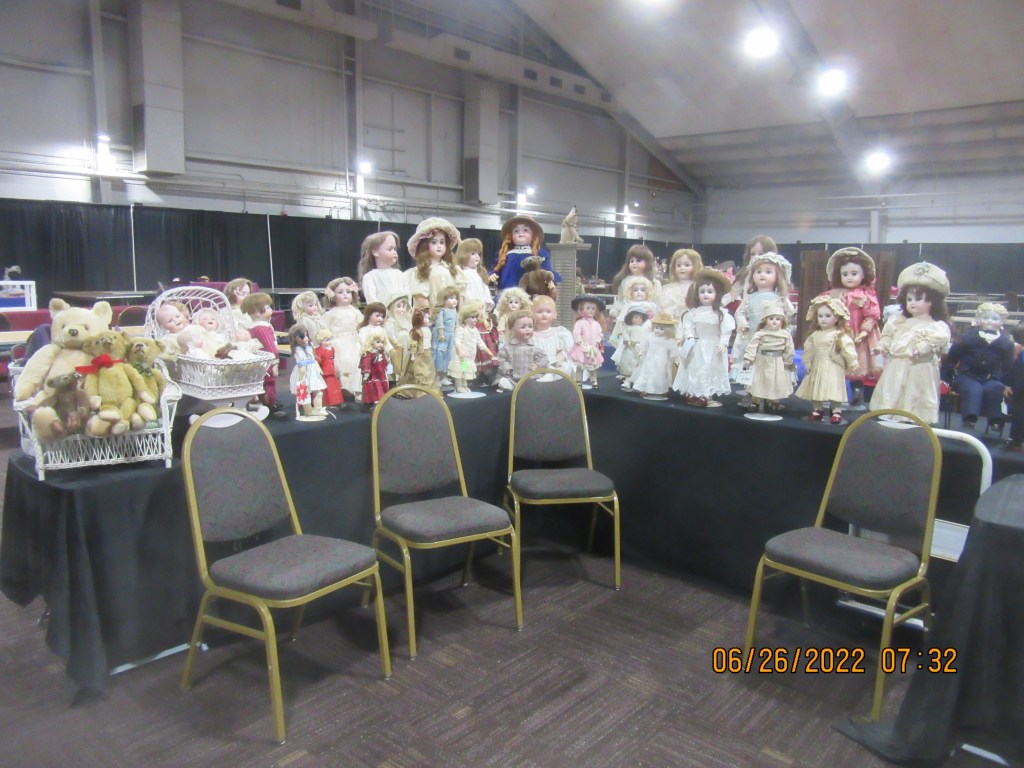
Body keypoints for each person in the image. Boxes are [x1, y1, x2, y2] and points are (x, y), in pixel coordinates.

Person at [869, 262, 952, 424]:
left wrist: (921, 348)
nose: (912, 303)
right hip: (896, 366)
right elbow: (888, 337)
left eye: (918, 299)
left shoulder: (936, 326)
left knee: (913, 394)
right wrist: (880, 347)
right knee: (894, 392)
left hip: (920, 368)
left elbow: (936, 341)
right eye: (909, 299)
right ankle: (890, 416)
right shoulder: (898, 322)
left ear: (932, 301)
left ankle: (912, 420)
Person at [821, 247, 883, 403]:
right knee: (836, 363)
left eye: (854, 274)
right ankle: (835, 396)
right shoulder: (833, 294)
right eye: (845, 274)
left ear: (863, 275)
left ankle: (857, 393)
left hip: (857, 334)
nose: (849, 277)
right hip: (837, 332)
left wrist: (864, 331)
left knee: (857, 364)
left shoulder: (866, 294)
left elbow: (872, 315)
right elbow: (823, 310)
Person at [941, 302, 1014, 432]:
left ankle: (995, 420)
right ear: (979, 319)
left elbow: (1009, 365)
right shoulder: (967, 337)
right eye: (986, 318)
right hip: (967, 375)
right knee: (973, 389)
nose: (989, 321)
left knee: (994, 388)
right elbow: (952, 357)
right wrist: (945, 377)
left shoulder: (1006, 342)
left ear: (1002, 321)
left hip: (992, 377)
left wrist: (1008, 383)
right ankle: (969, 419)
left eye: (994, 318)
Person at [672, 268, 735, 407]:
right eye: (702, 292)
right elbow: (688, 326)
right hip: (697, 345)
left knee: (710, 368)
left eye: (710, 291)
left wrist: (723, 343)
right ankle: (694, 393)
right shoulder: (693, 313)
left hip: (713, 346)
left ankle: (706, 394)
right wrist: (689, 338)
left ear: (717, 294)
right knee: (696, 368)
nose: (705, 294)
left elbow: (725, 331)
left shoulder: (721, 314)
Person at [732, 251, 794, 390]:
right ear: (752, 275)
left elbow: (789, 312)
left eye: (768, 271)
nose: (762, 275)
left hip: (773, 337)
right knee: (752, 362)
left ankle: (771, 391)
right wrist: (743, 323)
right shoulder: (750, 297)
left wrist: (782, 323)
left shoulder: (779, 297)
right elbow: (740, 312)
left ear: (777, 276)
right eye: (758, 272)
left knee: (771, 365)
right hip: (753, 335)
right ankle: (752, 391)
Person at [794, 295, 860, 424]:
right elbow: (808, 350)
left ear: (836, 318)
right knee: (816, 387)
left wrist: (852, 362)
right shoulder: (815, 335)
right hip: (818, 365)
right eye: (820, 316)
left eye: (828, 316)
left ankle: (836, 411)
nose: (823, 319)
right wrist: (807, 363)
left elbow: (847, 349)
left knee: (834, 388)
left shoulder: (839, 335)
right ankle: (817, 409)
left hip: (833, 366)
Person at [742, 302, 795, 414]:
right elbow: (752, 346)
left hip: (777, 361)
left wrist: (788, 360)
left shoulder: (785, 334)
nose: (774, 321)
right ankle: (756, 401)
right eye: (771, 319)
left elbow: (789, 348)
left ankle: (774, 402)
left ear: (782, 321)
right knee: (759, 381)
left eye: (778, 319)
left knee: (776, 382)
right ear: (765, 320)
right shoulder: (760, 334)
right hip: (762, 361)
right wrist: (748, 358)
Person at [240, 291, 286, 418]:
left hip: (261, 361)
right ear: (256, 312)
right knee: (268, 383)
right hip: (267, 362)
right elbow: (270, 347)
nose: (271, 310)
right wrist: (275, 363)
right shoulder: (262, 328)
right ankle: (270, 406)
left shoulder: (254, 327)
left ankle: (262, 405)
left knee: (261, 385)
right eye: (268, 308)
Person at [490, 214, 559, 293]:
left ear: (533, 234)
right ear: (511, 236)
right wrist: (492, 275)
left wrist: (550, 281)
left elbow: (546, 270)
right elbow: (495, 269)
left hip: (532, 293)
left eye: (525, 230)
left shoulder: (540, 254)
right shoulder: (505, 254)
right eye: (516, 231)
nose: (520, 234)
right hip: (508, 292)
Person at [405, 217, 460, 310]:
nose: (439, 246)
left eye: (442, 242)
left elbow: (459, 293)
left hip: (451, 314)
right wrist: (430, 314)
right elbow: (421, 300)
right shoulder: (421, 271)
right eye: (434, 242)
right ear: (425, 245)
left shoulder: (451, 269)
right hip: (431, 314)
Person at [323, 276, 363, 397]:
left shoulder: (355, 311)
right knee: (342, 364)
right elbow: (325, 329)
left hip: (354, 341)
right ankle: (344, 386)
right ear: (333, 296)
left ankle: (356, 388)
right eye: (340, 292)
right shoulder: (331, 313)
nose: (345, 294)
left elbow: (362, 324)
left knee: (356, 362)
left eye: (348, 292)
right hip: (338, 342)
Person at [628, 312, 679, 399]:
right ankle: (645, 388)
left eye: (662, 329)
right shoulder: (650, 336)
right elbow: (644, 345)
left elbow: (673, 352)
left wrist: (672, 361)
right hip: (649, 358)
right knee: (647, 372)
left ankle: (660, 390)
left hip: (662, 360)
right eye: (656, 327)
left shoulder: (669, 340)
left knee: (660, 374)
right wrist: (641, 352)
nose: (658, 330)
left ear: (668, 330)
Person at [496, 309, 549, 391]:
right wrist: (507, 369)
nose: (528, 329)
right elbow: (501, 359)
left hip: (531, 378)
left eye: (530, 326)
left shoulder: (534, 347)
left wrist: (537, 366)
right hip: (513, 377)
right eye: (523, 327)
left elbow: (543, 359)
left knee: (546, 377)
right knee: (504, 381)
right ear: (512, 328)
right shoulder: (507, 347)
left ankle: (534, 385)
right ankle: (511, 385)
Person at [448, 301, 493, 393]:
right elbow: (457, 341)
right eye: (472, 317)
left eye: (476, 317)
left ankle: (464, 384)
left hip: (469, 356)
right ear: (465, 319)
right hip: (461, 357)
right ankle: (458, 385)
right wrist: (460, 351)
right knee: (460, 371)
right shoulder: (462, 329)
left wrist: (487, 350)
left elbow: (480, 341)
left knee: (465, 370)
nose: (475, 320)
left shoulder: (475, 330)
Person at [609, 244, 661, 320]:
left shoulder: (654, 282)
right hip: (627, 315)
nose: (634, 263)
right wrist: (617, 311)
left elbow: (657, 301)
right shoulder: (625, 281)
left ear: (648, 262)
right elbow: (621, 299)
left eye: (638, 260)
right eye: (631, 261)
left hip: (646, 317)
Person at [530, 295, 574, 379]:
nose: (544, 314)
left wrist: (559, 360)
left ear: (555, 314)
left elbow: (568, 349)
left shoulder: (560, 333)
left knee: (561, 372)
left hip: (556, 367)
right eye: (539, 312)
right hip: (537, 368)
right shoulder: (530, 336)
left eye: (548, 311)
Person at [288, 324, 327, 419]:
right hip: (303, 372)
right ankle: (308, 411)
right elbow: (302, 364)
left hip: (313, 370)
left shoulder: (308, 347)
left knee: (318, 391)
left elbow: (313, 359)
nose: (306, 338)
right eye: (302, 336)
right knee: (305, 392)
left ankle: (317, 409)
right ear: (295, 338)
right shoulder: (297, 350)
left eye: (306, 335)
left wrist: (318, 368)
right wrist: (301, 378)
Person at [358, 230, 405, 305]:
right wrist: (381, 311)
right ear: (375, 252)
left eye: (395, 249)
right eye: (390, 249)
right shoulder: (370, 277)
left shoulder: (400, 274)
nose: (394, 252)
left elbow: (407, 294)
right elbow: (371, 299)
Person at [568, 295, 606, 388]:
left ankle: (594, 381)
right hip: (582, 347)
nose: (591, 311)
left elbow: (599, 334)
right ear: (581, 310)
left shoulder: (596, 324)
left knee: (592, 367)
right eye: (588, 308)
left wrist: (597, 342)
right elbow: (576, 333)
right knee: (580, 366)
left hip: (592, 348)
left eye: (593, 308)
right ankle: (578, 381)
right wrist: (579, 341)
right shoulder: (580, 323)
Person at [659, 248, 703, 322]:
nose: (682, 268)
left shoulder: (698, 288)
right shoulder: (667, 289)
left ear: (695, 266)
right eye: (678, 265)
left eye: (687, 265)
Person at [454, 237, 494, 312]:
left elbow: (485, 291)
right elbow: (463, 294)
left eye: (478, 254)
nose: (477, 257)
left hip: (482, 309)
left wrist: (486, 303)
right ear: (464, 255)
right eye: (473, 253)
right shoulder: (461, 274)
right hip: (469, 309)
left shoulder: (480, 273)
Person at [431, 286, 460, 386]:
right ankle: (437, 378)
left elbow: (456, 323)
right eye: (451, 298)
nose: (454, 300)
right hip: (442, 336)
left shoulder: (454, 311)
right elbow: (440, 323)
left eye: (456, 298)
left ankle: (444, 377)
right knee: (439, 356)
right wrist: (441, 334)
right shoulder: (443, 311)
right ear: (443, 300)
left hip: (450, 336)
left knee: (447, 357)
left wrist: (456, 331)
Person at [1004, 325, 1024, 452]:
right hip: (1019, 392)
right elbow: (1011, 372)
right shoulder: (1020, 354)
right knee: (1019, 414)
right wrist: (1007, 385)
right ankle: (1016, 442)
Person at [313, 328, 345, 409]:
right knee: (327, 387)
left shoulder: (332, 349)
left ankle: (336, 401)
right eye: (326, 340)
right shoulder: (319, 350)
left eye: (329, 339)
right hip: (324, 371)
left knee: (334, 386)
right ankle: (327, 403)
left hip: (331, 369)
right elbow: (318, 361)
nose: (329, 342)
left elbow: (333, 358)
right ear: (321, 341)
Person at [359, 328, 391, 406]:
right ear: (371, 342)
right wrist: (366, 372)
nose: (381, 344)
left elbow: (384, 363)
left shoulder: (381, 353)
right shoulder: (369, 354)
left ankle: (382, 401)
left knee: (382, 387)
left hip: (381, 374)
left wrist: (386, 363)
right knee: (376, 388)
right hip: (373, 375)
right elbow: (366, 363)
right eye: (378, 342)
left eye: (382, 342)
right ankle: (375, 402)